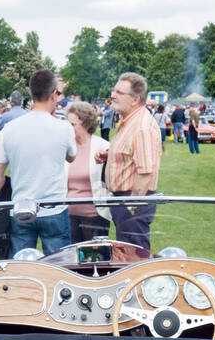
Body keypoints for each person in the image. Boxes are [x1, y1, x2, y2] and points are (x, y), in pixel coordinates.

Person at [0, 69, 76, 256]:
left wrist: (4, 194)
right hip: (54, 209)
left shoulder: (10, 129)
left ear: (31, 94)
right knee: (58, 268)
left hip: (21, 208)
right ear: (54, 94)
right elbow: (72, 156)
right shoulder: (63, 128)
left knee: (21, 270)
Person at [95, 71, 161, 257]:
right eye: (113, 90)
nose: (112, 95)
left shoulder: (141, 127)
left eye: (119, 92)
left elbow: (146, 172)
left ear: (134, 99)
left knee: (133, 258)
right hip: (124, 200)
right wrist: (110, 156)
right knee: (124, 255)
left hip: (132, 200)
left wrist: (131, 207)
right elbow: (133, 154)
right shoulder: (129, 121)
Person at [65, 101, 111, 242]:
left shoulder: (103, 147)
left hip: (95, 218)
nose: (68, 128)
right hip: (67, 217)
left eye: (72, 125)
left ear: (85, 124)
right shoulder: (64, 147)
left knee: (95, 260)